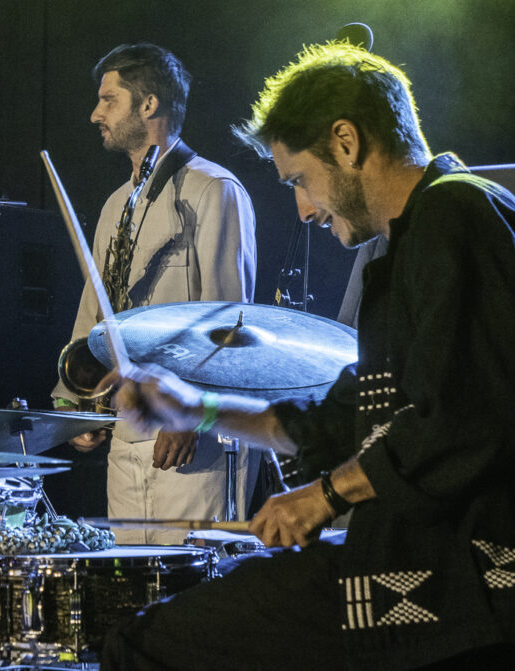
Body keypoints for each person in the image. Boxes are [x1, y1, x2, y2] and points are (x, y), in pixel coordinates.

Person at [99, 41, 515, 670]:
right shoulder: (407, 249)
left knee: (145, 644)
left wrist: (324, 495)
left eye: (299, 180)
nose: (302, 207)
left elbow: (463, 422)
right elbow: (333, 421)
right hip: (414, 569)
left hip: (458, 582)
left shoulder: (455, 212)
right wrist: (195, 409)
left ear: (346, 143)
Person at [50, 43, 259, 543]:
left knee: (195, 602)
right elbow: (92, 319)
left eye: (109, 100)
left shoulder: (214, 190)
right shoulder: (113, 205)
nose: (95, 113)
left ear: (149, 106)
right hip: (124, 441)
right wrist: (75, 406)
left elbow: (229, 322)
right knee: (133, 601)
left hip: (192, 446)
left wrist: (192, 418)